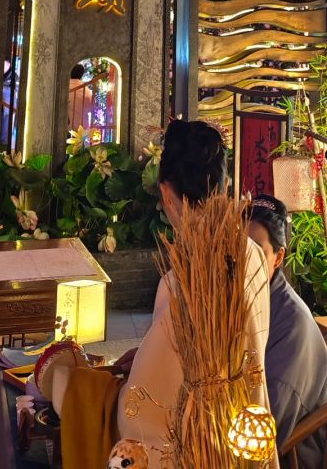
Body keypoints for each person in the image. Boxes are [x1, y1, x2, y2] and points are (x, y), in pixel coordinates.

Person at [117, 121, 272, 468]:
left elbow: (146, 407)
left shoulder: (181, 281)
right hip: (245, 437)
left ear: (165, 195)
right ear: (226, 186)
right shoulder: (252, 255)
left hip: (192, 451)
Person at [246, 196, 327, 467]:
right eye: (237, 247)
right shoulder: (245, 300)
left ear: (278, 257)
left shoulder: (291, 325)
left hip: (287, 458)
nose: (242, 260)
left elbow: (265, 426)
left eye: (256, 251)